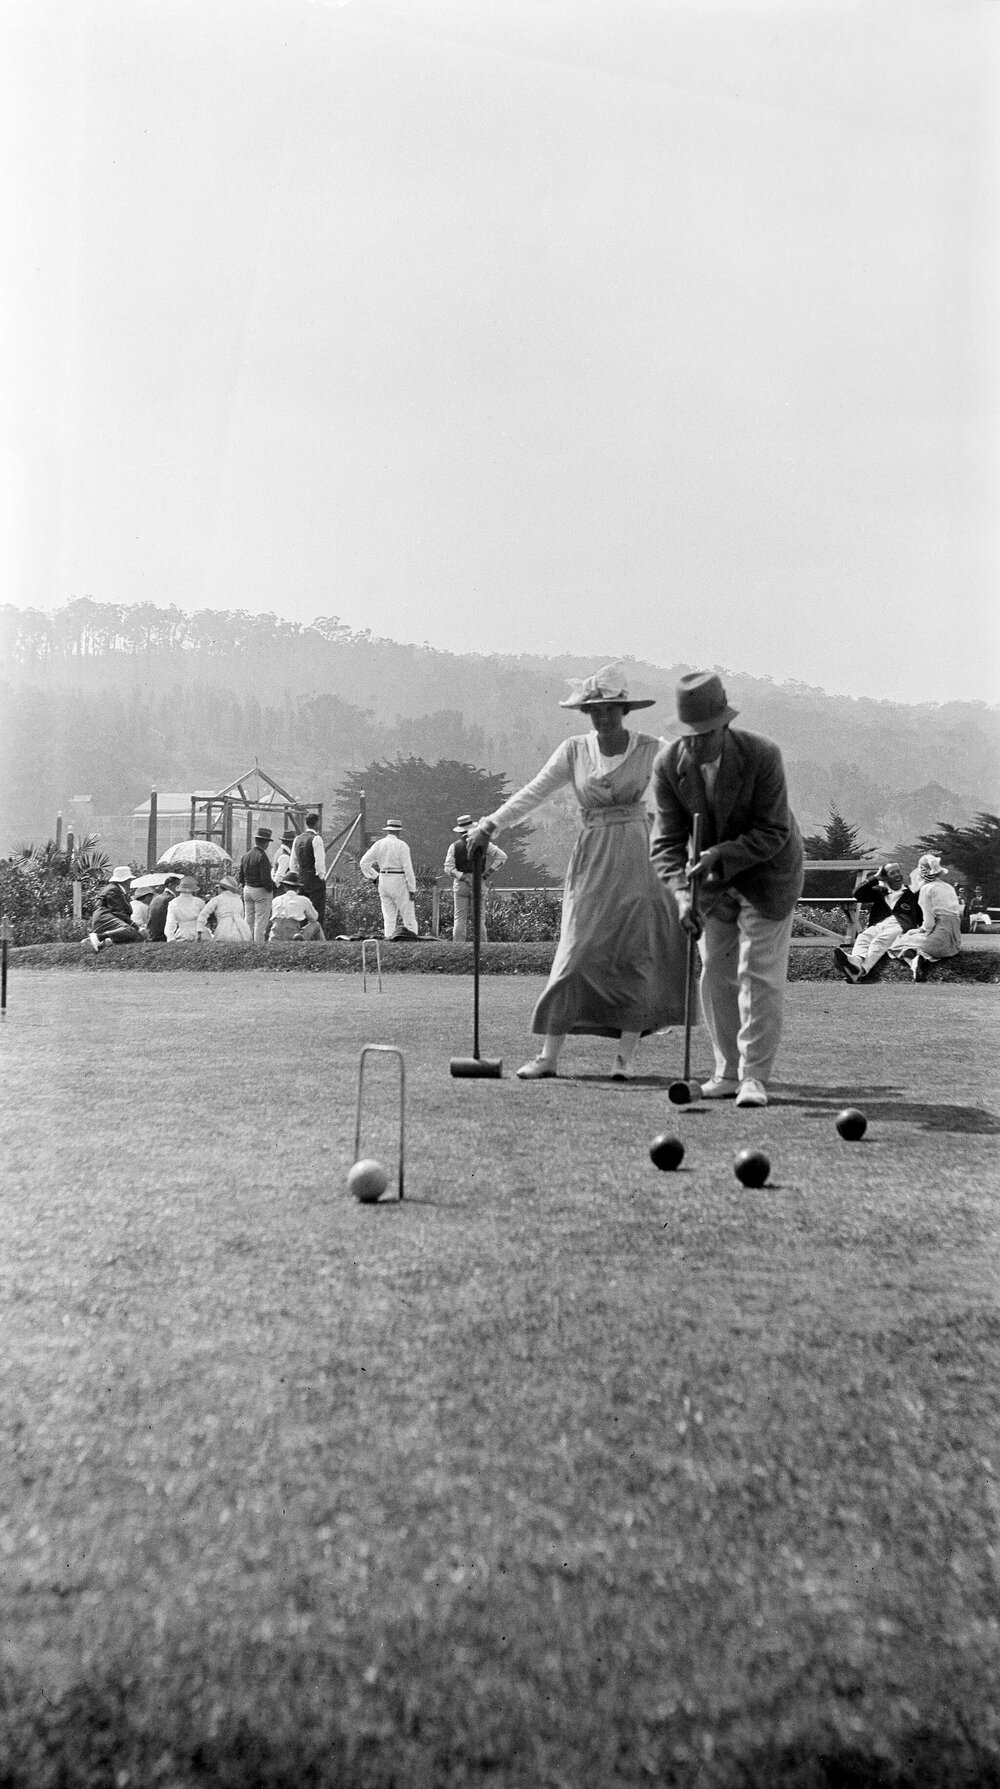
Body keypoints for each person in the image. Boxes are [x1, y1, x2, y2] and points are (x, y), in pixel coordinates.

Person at [465, 665, 687, 1080]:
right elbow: (535, 791)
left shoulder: (654, 748)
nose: (602, 717)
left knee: (636, 955)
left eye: (610, 709)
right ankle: (548, 1056)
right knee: (575, 952)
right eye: (594, 711)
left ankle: (624, 1059)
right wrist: (489, 824)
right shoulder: (574, 750)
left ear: (624, 709)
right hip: (592, 857)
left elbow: (687, 788)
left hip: (640, 855)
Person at [650, 671, 804, 1108]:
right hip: (711, 884)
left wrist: (720, 854)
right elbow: (664, 844)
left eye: (705, 735)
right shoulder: (668, 765)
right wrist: (683, 895)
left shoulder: (762, 755)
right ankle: (727, 1071)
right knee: (714, 969)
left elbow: (773, 831)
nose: (696, 746)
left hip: (767, 874)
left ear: (724, 725)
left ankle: (754, 1077)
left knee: (756, 972)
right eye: (689, 736)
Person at [832, 862, 922, 983]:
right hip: (878, 924)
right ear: (885, 877)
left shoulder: (912, 894)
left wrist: (922, 931)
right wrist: (875, 878)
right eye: (892, 873)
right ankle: (856, 961)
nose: (897, 875)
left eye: (898, 871)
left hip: (900, 926)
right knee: (863, 937)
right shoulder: (880, 892)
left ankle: (860, 971)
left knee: (879, 941)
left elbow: (922, 913)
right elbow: (858, 894)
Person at [887, 855, 962, 980]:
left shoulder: (926, 889)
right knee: (913, 938)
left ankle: (913, 962)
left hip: (940, 938)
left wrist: (917, 931)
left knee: (899, 941)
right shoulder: (949, 887)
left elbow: (929, 924)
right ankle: (919, 959)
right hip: (955, 941)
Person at [444, 814, 507, 942]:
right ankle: (482, 944)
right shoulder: (484, 845)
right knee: (479, 918)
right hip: (478, 881)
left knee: (459, 917)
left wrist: (462, 876)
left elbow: (448, 868)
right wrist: (487, 873)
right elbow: (502, 857)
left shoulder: (454, 846)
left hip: (461, 883)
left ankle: (458, 945)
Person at [359, 821, 419, 940]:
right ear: (398, 831)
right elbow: (408, 868)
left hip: (383, 879)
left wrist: (376, 878)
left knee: (389, 917)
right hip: (398, 879)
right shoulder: (402, 845)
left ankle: (388, 939)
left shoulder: (378, 844)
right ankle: (413, 939)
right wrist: (412, 888)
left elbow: (363, 863)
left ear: (387, 830)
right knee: (408, 915)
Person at [88, 867, 142, 951]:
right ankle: (99, 937)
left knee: (137, 935)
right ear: (127, 881)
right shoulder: (113, 890)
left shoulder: (118, 890)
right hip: (102, 918)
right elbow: (118, 913)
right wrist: (137, 927)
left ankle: (107, 940)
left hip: (105, 919)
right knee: (130, 930)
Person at [290, 812, 328, 928]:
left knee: (302, 910)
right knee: (316, 911)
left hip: (301, 877)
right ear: (317, 823)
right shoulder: (316, 839)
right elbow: (319, 862)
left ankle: (301, 934)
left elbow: (293, 862)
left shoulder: (297, 839)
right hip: (314, 878)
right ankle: (315, 936)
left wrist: (297, 875)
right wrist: (322, 877)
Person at [238, 827, 275, 943]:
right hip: (260, 890)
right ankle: (259, 947)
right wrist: (272, 888)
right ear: (265, 842)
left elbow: (241, 877)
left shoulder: (246, 856)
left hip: (247, 889)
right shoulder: (262, 857)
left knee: (248, 920)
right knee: (260, 923)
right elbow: (266, 879)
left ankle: (246, 944)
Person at [267, 872, 324, 941]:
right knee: (316, 925)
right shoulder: (304, 900)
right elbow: (314, 918)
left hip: (275, 933)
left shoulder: (276, 900)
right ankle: (324, 948)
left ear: (284, 887)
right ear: (298, 888)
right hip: (293, 934)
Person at [197, 875, 253, 941]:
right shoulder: (238, 899)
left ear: (221, 888)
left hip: (223, 930)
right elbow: (242, 915)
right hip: (241, 931)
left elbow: (204, 914)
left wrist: (200, 930)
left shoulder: (217, 899)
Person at [165, 875, 206, 941]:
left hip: (182, 933)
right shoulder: (199, 902)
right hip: (198, 932)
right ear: (193, 890)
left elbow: (170, 922)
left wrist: (170, 938)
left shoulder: (173, 903)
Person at [145, 874, 181, 942]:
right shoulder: (171, 899)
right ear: (170, 885)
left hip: (151, 935)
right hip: (162, 936)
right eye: (178, 885)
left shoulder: (156, 898)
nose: (180, 889)